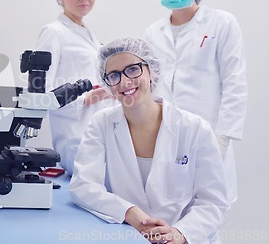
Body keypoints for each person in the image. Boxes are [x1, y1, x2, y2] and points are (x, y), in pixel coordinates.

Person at [68, 37, 228, 244]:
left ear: (151, 70)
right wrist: (130, 212)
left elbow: (213, 202)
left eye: (133, 69)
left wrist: (180, 233)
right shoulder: (101, 124)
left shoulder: (195, 128)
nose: (125, 82)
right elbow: (83, 185)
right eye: (113, 75)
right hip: (131, 236)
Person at [145, 0, 248, 207]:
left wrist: (222, 138)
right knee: (168, 212)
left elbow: (235, 83)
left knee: (208, 213)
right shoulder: (153, 33)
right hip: (166, 137)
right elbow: (148, 85)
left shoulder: (221, 23)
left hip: (210, 135)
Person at [34, 0, 113, 175]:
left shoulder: (87, 34)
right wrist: (86, 99)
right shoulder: (54, 32)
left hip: (96, 129)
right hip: (74, 135)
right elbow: (40, 95)